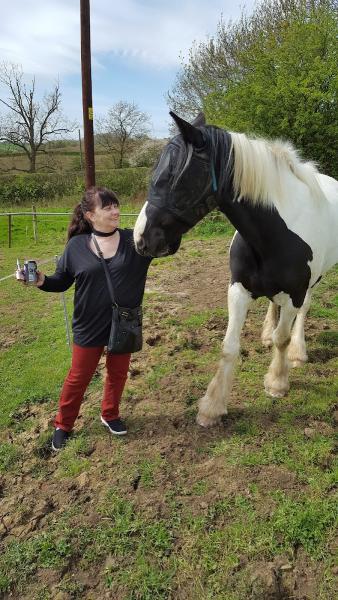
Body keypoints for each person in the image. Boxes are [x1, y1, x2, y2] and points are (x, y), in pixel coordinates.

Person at [18, 187, 152, 451]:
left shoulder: (133, 240)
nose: (116, 211)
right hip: (88, 325)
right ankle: (63, 425)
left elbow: (166, 245)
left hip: (124, 322)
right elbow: (61, 282)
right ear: (90, 215)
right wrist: (41, 280)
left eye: (116, 205)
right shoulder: (77, 246)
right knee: (78, 377)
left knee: (118, 373)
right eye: (108, 207)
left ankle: (110, 414)